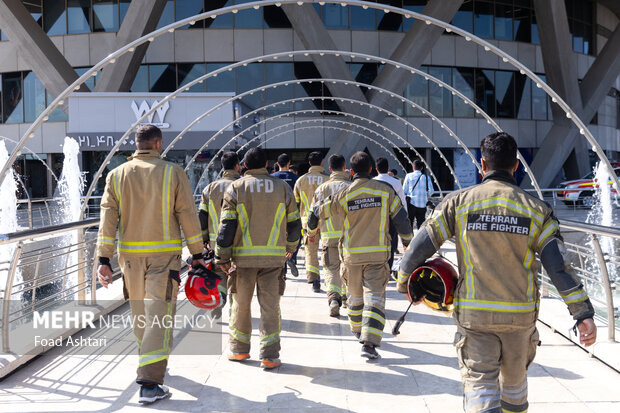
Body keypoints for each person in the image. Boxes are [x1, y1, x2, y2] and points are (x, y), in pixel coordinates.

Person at [397, 132, 597, 413]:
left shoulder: (459, 203)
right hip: (519, 317)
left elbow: (421, 245)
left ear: (482, 165)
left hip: (475, 317)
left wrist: (404, 280)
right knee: (515, 391)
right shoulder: (537, 211)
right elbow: (558, 267)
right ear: (515, 166)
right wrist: (582, 313)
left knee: (480, 389)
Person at [96, 125, 205, 404]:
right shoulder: (173, 172)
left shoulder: (116, 175)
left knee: (141, 318)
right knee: (158, 314)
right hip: (164, 258)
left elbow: (108, 220)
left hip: (130, 259)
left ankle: (151, 368)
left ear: (137, 144)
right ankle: (149, 382)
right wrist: (198, 254)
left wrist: (103, 259)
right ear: (158, 144)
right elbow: (187, 216)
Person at [215, 147, 302, 370]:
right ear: (266, 164)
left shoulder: (235, 188)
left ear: (244, 165)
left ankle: (239, 349)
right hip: (273, 260)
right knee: (271, 307)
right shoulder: (282, 188)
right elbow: (294, 224)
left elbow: (226, 227)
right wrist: (291, 248)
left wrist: (222, 256)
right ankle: (270, 355)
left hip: (242, 261)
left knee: (241, 305)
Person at [326, 152, 412, 359]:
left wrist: (310, 229)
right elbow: (401, 219)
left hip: (352, 257)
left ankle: (357, 331)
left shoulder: (344, 194)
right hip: (377, 255)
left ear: (352, 172)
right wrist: (408, 241)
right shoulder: (385, 191)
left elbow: (319, 211)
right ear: (372, 170)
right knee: (374, 298)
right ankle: (369, 343)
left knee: (354, 298)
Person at [306, 154, 352, 317]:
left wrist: (311, 233)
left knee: (331, 268)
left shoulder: (322, 189)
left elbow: (314, 214)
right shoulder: (352, 187)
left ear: (330, 169)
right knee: (346, 267)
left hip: (328, 237)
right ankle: (347, 298)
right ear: (344, 166)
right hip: (349, 238)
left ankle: (333, 299)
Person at [198, 151, 241, 317]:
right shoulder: (242, 186)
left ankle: (220, 296)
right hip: (238, 243)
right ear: (237, 166)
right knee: (235, 275)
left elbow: (202, 215)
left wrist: (204, 239)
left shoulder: (210, 188)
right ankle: (234, 310)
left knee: (219, 272)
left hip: (216, 243)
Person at [293, 151, 329, 292]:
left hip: (307, 223)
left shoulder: (301, 180)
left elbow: (296, 204)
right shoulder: (328, 180)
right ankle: (331, 278)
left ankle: (314, 280)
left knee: (310, 252)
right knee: (328, 251)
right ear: (321, 163)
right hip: (327, 222)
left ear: (309, 163)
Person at [373, 157, 408, 269]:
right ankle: (388, 267)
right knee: (392, 243)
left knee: (378, 243)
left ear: (376, 169)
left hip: (377, 218)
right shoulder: (396, 182)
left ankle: (379, 267)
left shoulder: (372, 182)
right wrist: (405, 217)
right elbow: (402, 201)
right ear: (388, 167)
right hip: (392, 218)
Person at [272, 153, 300, 277]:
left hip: (276, 215)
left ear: (277, 164)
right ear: (289, 164)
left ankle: (282, 267)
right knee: (294, 237)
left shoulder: (271, 178)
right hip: (292, 214)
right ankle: (291, 257)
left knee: (278, 240)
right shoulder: (296, 178)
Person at [403, 160, 434, 229]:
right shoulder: (426, 177)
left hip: (411, 203)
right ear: (422, 168)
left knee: (410, 223)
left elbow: (404, 190)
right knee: (421, 225)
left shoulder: (408, 176)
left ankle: (410, 239)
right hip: (422, 205)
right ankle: (419, 238)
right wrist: (425, 196)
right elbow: (431, 191)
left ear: (413, 167)